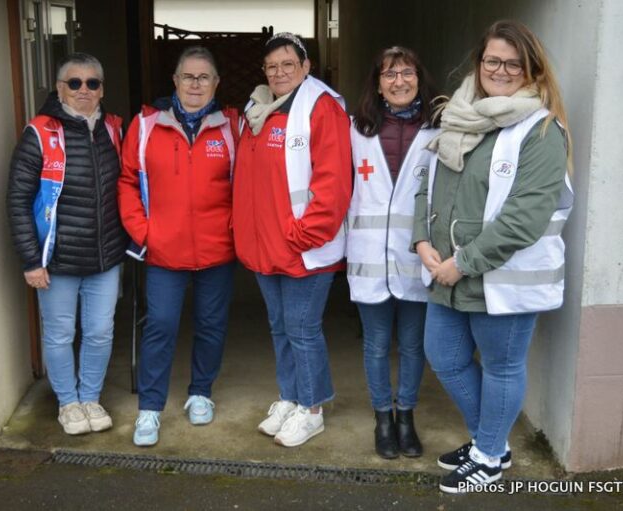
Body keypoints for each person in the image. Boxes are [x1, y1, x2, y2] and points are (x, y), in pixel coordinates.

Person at [413, 20, 573, 492]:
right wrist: (422, 241)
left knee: (502, 367)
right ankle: (493, 442)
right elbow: (427, 183)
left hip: (499, 276)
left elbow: (525, 218)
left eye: (513, 64)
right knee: (444, 357)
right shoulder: (458, 116)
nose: (500, 71)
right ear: (478, 63)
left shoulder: (541, 130)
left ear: (531, 70)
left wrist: (461, 263)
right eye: (492, 61)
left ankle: (487, 455)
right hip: (446, 271)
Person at [232, 32, 352, 447]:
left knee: (302, 328)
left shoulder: (322, 107)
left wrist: (304, 235)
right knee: (280, 327)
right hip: (265, 244)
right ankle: (290, 395)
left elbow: (334, 182)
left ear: (306, 67)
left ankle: (312, 408)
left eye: (288, 64)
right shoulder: (258, 109)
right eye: (272, 66)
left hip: (303, 246)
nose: (279, 72)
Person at [118, 46, 238, 447]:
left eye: (204, 77)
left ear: (216, 83)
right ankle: (150, 407)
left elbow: (248, 183)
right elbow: (127, 181)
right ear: (175, 81)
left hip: (217, 250)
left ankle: (200, 392)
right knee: (161, 326)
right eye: (188, 76)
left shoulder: (231, 127)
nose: (195, 85)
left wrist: (234, 230)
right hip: (163, 251)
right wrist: (144, 232)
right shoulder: (146, 125)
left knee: (211, 325)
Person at [7, 53, 127, 435]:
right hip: (56, 260)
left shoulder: (113, 129)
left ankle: (90, 398)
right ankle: (68, 403)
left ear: (102, 89)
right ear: (60, 89)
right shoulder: (40, 132)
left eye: (92, 83)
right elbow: (18, 199)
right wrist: (31, 260)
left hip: (105, 258)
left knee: (100, 332)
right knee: (60, 334)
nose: (83, 90)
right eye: (74, 83)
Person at [346, 46, 442, 460]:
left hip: (418, 257)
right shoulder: (356, 128)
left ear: (420, 78)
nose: (399, 81)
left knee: (413, 345)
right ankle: (382, 418)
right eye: (389, 74)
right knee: (376, 344)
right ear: (377, 83)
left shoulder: (439, 130)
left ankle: (406, 416)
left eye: (406, 73)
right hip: (369, 258)